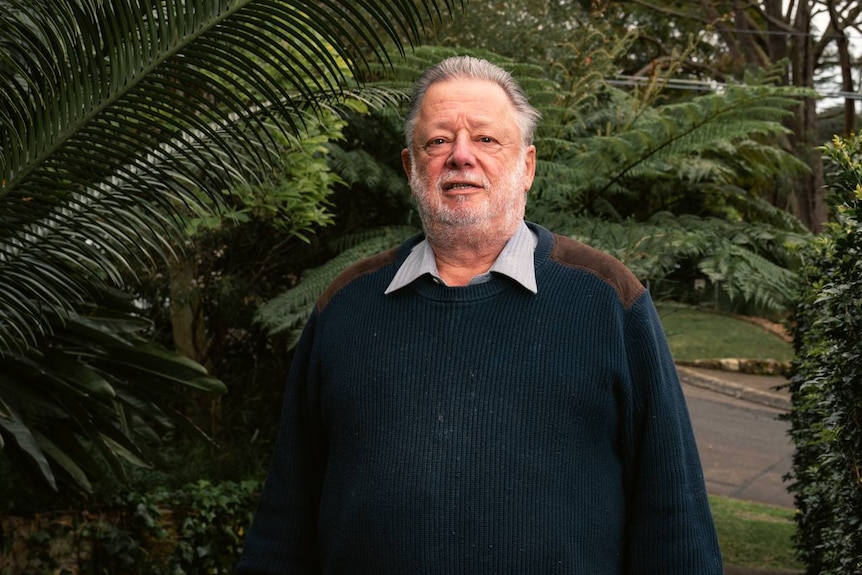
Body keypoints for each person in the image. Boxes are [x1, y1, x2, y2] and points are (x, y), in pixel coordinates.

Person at [235, 56, 723, 574]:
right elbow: (286, 515)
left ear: (527, 165)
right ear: (410, 166)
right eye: (438, 140)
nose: (460, 156)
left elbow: (674, 519)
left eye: (486, 140)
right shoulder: (347, 305)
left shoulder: (606, 300)